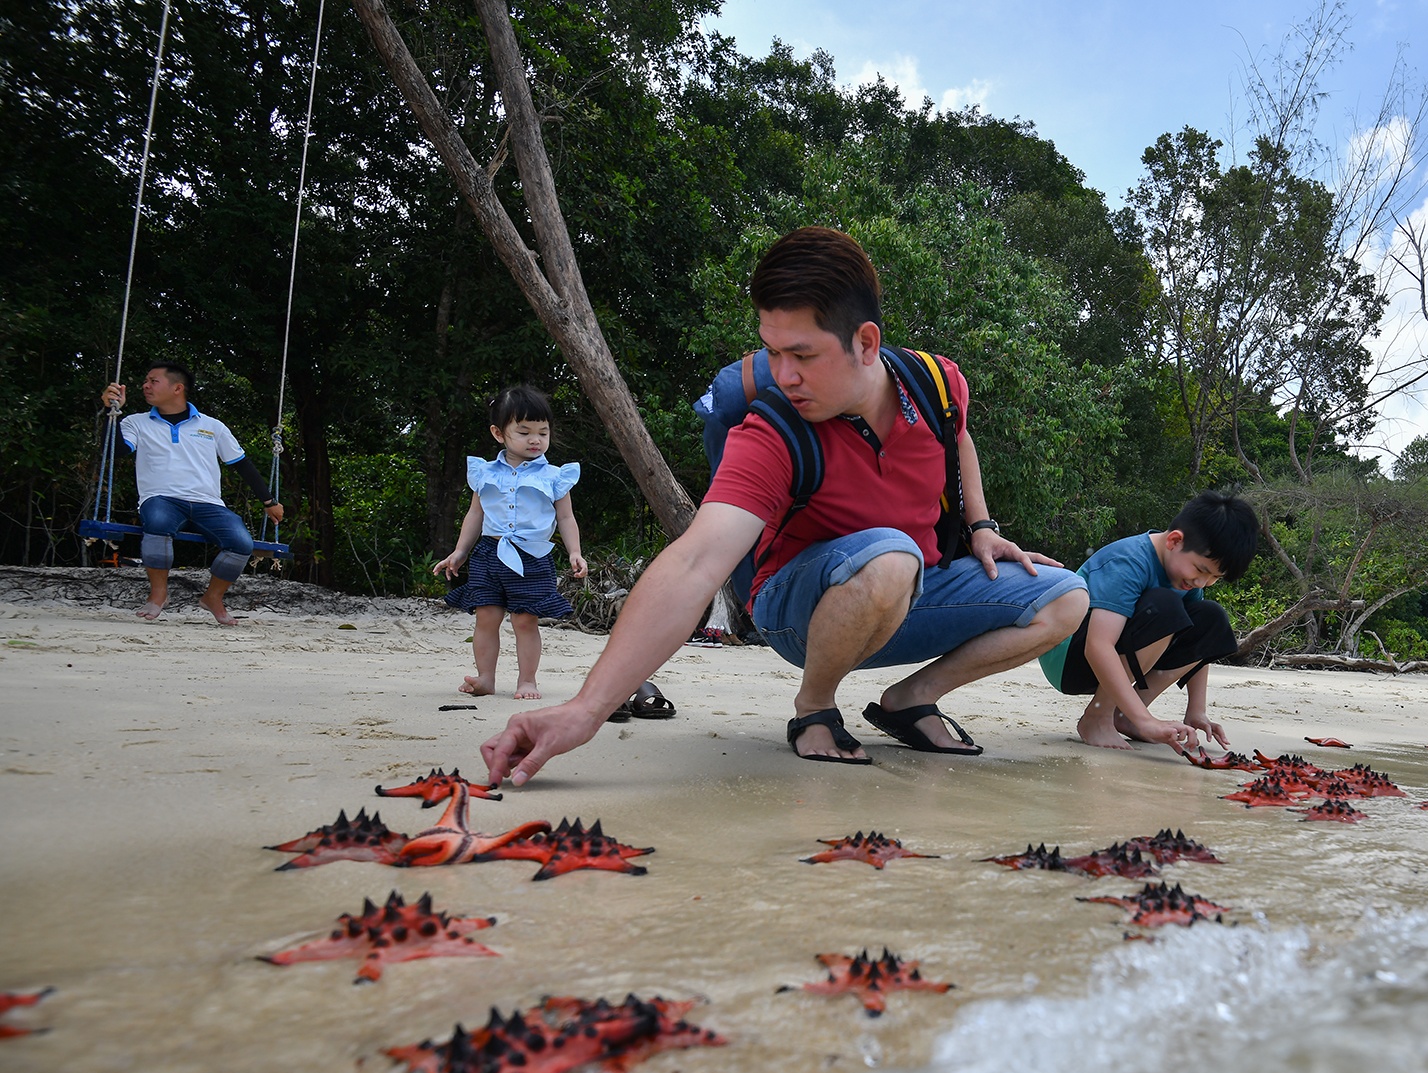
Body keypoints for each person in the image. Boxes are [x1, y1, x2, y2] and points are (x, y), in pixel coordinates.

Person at [479, 226, 1088, 784]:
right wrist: (587, 710)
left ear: (866, 342)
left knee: (1067, 596)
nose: (784, 374)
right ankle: (815, 704)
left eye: (802, 355)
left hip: (914, 592)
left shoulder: (933, 381)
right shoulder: (774, 430)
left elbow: (957, 436)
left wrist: (980, 524)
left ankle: (909, 700)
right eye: (772, 352)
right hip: (798, 610)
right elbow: (696, 562)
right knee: (891, 556)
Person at [1039, 491, 1260, 750]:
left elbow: (1198, 637)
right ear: (1175, 541)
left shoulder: (1185, 578)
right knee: (1164, 606)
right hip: (1069, 660)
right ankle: (1098, 717)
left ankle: (1124, 716)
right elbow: (1097, 646)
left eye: (1214, 577)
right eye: (1200, 569)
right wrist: (1146, 722)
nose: (1202, 582)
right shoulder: (1129, 561)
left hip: (1115, 658)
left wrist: (1196, 710)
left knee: (1211, 617)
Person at [98, 361, 286, 624]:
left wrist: (268, 501)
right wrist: (111, 412)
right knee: (159, 522)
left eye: (153, 381)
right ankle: (158, 594)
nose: (145, 385)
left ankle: (213, 597)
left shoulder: (212, 426)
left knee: (241, 542)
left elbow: (241, 464)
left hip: (208, 503)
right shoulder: (136, 423)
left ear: (177, 388)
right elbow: (116, 451)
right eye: (145, 380)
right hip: (161, 498)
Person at [432, 385, 587, 700]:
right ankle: (485, 678)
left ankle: (527, 681)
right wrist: (460, 551)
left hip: (532, 556)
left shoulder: (555, 476)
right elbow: (475, 514)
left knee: (525, 620)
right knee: (486, 618)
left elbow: (566, 518)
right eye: (524, 432)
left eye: (542, 433)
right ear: (498, 433)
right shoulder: (484, 473)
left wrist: (575, 552)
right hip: (489, 554)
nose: (535, 440)